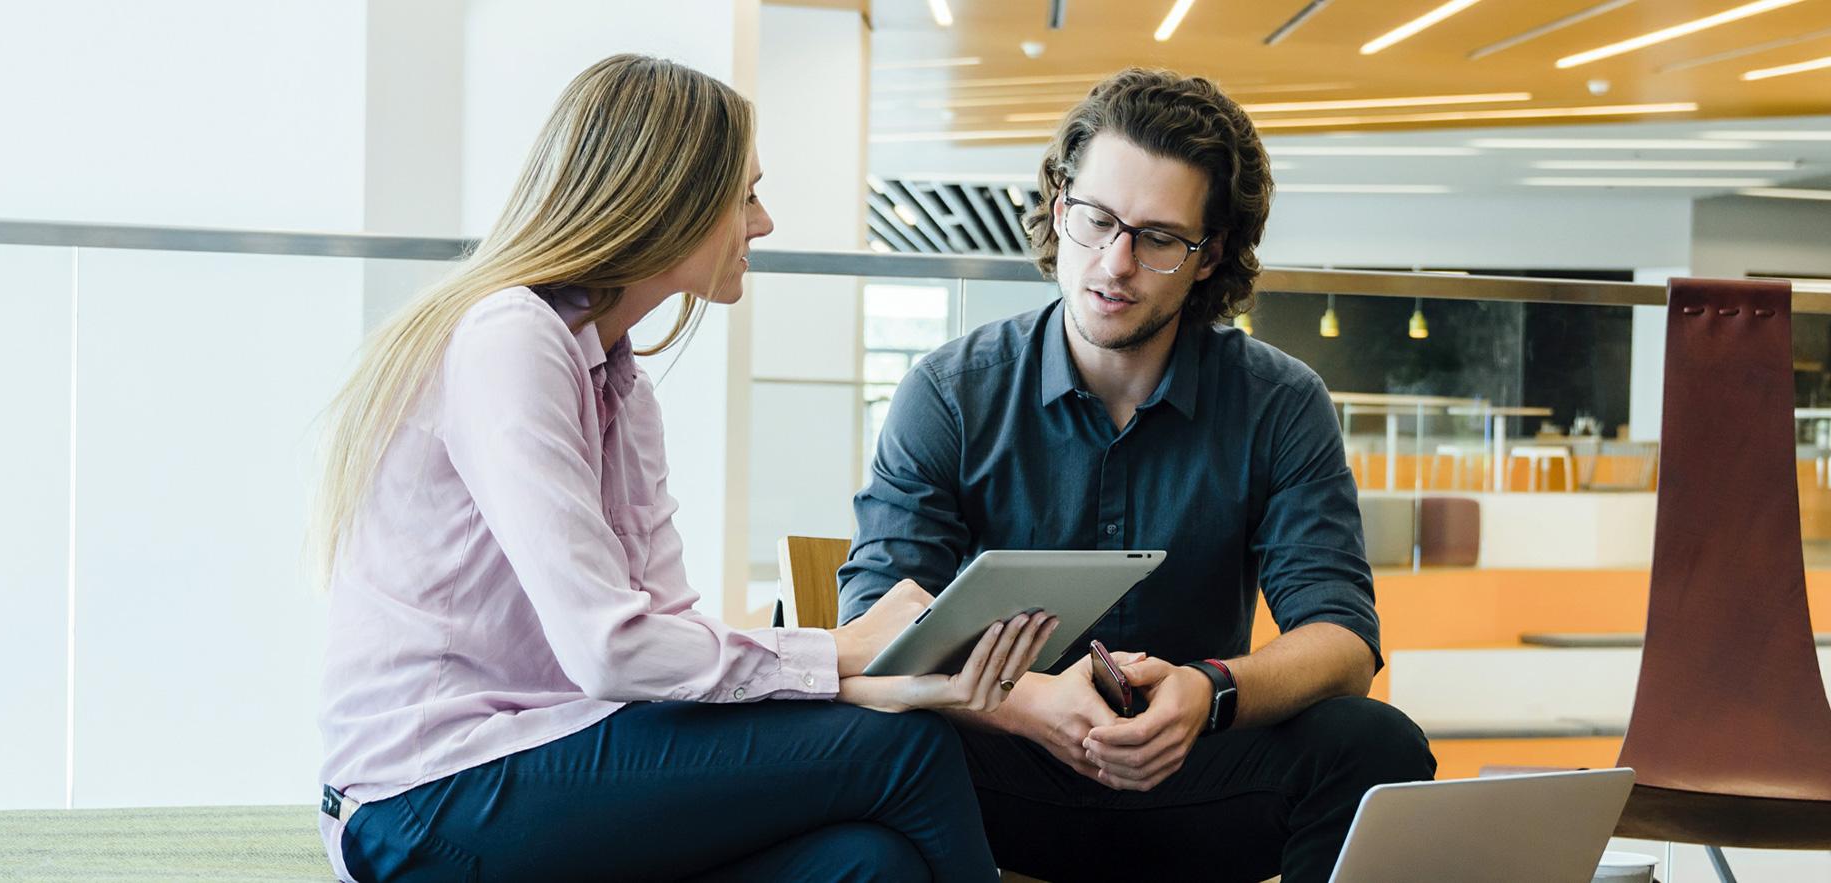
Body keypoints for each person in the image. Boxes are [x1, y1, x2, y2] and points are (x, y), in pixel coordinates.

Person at [312, 54, 1058, 883]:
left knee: (866, 863)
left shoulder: (619, 385)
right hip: (424, 803)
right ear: (668, 198)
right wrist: (840, 656)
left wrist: (847, 679)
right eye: (747, 194)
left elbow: (664, 628)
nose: (764, 222)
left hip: (546, 765)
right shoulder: (509, 338)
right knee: (907, 749)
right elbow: (611, 649)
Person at [837, 68, 1436, 883]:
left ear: (1208, 255)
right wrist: (1031, 702)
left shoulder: (1281, 401)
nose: (1114, 263)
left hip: (1195, 773)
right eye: (1096, 221)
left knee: (1376, 741)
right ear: (1060, 210)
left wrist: (1211, 690)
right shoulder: (950, 392)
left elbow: (1342, 641)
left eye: (1157, 237)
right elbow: (876, 635)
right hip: (996, 779)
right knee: (875, 736)